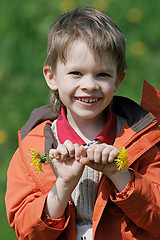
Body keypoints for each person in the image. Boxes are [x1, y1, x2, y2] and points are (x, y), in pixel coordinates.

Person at [5, 6, 160, 240]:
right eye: (76, 73)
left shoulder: (144, 140)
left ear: (119, 79)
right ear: (51, 76)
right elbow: (27, 232)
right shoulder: (32, 149)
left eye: (102, 75)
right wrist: (63, 186)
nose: (90, 85)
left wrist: (120, 175)